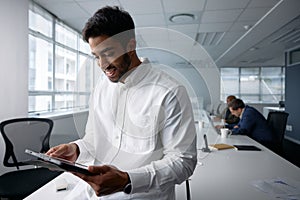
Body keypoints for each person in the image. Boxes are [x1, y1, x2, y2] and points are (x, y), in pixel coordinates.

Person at [46, 6, 197, 199]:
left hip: (141, 195)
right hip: (92, 193)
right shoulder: (101, 87)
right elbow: (94, 139)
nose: (102, 65)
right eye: (96, 56)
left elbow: (183, 161)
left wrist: (128, 179)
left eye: (108, 53)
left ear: (130, 45)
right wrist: (76, 149)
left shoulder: (170, 92)